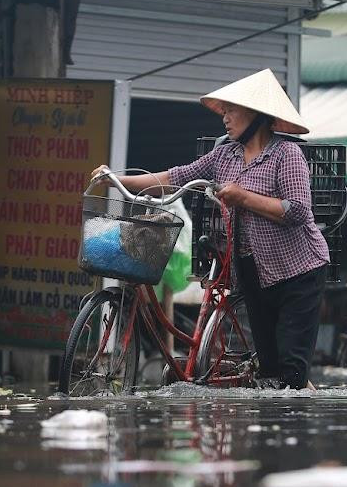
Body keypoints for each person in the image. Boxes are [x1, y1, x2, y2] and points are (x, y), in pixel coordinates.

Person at [90, 69, 328, 389]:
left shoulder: (287, 155)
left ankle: (302, 406)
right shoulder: (225, 155)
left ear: (256, 114)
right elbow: (176, 177)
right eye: (224, 111)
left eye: (231, 110)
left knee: (291, 373)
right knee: (271, 371)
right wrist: (117, 180)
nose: (225, 118)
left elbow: (297, 210)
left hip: (298, 271)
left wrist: (244, 197)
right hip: (254, 271)